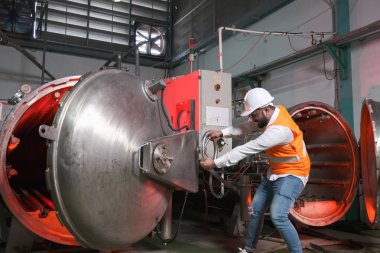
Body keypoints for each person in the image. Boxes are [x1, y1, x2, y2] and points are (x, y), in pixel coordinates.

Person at [200, 87, 310, 253]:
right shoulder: (272, 113)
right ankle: (249, 249)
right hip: (275, 172)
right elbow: (245, 127)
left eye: (254, 115)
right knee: (255, 210)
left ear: (265, 109)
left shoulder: (279, 130)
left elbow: (247, 148)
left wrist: (215, 163)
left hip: (294, 174)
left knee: (278, 215)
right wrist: (222, 133)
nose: (252, 119)